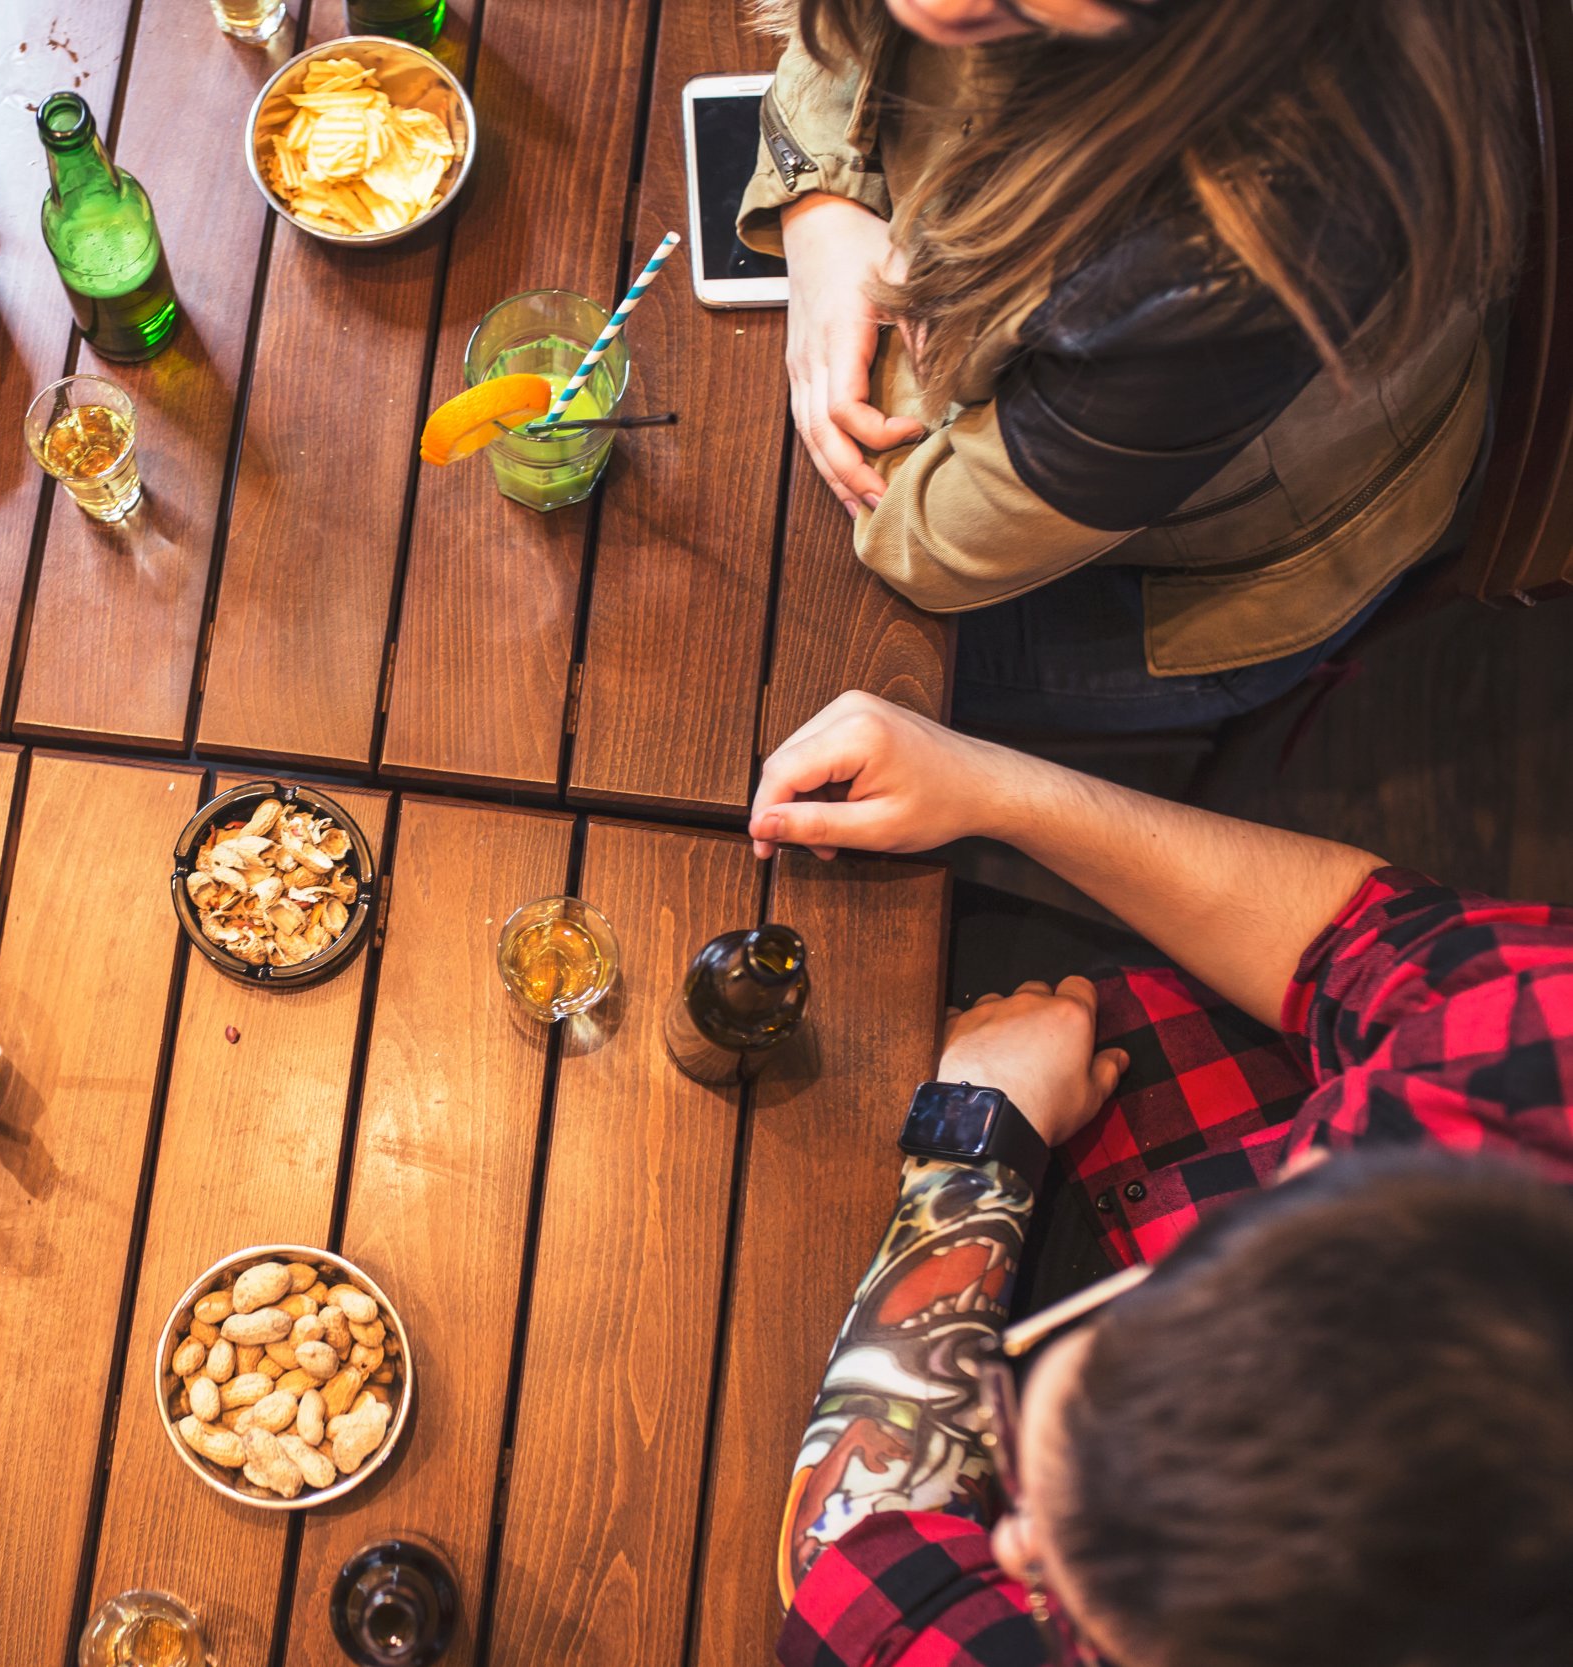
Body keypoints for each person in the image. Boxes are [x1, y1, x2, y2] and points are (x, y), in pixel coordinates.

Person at [751, 689, 1573, 1664]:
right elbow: (1353, 943)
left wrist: (977, 1137)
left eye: (1063, 1594)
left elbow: (858, 1567)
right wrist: (991, 781)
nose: (1004, 1545)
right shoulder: (1539, 1062)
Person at [742, 0, 1524, 731]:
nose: (939, 8)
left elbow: (928, 543)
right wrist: (823, 205)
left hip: (1196, 580)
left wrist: (862, 256)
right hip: (1068, 441)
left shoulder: (1249, 233)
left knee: (767, 674)